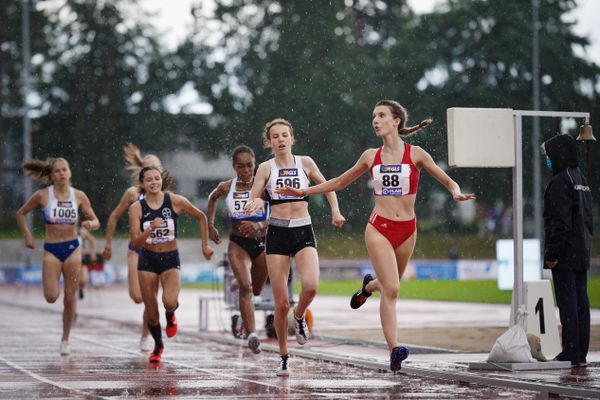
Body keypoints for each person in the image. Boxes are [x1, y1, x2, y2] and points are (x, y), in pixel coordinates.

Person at [275, 100, 476, 371]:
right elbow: (339, 182)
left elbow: (447, 179)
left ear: (396, 121)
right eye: (373, 116)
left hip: (407, 230)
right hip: (379, 228)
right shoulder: (371, 156)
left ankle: (368, 286)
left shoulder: (416, 154)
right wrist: (304, 192)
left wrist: (454, 191)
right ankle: (394, 350)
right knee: (392, 289)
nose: (375, 120)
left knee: (386, 284)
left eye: (381, 116)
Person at [245, 118, 346, 376]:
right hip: (277, 233)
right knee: (280, 304)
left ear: (292, 138)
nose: (280, 139)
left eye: (284, 135)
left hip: (303, 229)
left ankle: (299, 316)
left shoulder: (306, 162)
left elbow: (328, 186)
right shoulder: (265, 168)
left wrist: (335, 210)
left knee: (310, 287)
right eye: (275, 136)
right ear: (269, 142)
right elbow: (254, 194)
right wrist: (254, 203)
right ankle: (284, 356)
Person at [129, 165, 214, 363]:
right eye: (149, 179)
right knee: (151, 314)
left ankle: (170, 314)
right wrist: (150, 229)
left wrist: (205, 245)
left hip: (169, 259)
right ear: (143, 183)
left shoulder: (174, 201)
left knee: (168, 301)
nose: (153, 182)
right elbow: (135, 243)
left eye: (156, 178)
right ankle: (158, 345)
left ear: (162, 180)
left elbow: (200, 217)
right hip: (147, 260)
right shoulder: (137, 208)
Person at [16, 157, 100, 355]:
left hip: (73, 248)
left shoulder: (78, 196)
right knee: (52, 297)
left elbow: (95, 219)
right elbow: (21, 213)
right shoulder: (42, 195)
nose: (62, 174)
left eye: (65, 170)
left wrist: (90, 224)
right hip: (52, 250)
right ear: (52, 175)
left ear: (70, 172)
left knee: (70, 298)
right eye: (57, 171)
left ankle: (65, 339)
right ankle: (55, 296)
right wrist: (28, 237)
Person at [102, 143, 167, 352]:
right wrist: (108, 244)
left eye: (156, 169)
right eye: (147, 169)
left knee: (150, 298)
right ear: (142, 174)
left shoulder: (167, 195)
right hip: (136, 250)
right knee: (137, 296)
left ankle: (146, 336)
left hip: (158, 251)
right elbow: (113, 217)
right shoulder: (132, 193)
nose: (152, 174)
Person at [206, 145, 269, 353]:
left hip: (261, 244)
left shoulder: (265, 186)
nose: (246, 171)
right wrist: (211, 224)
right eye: (241, 167)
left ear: (255, 165)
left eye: (250, 166)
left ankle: (241, 282)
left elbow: (281, 211)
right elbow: (212, 198)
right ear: (234, 167)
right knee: (246, 288)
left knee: (257, 290)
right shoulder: (227, 187)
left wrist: (259, 225)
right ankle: (251, 334)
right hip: (238, 243)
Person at [541, 133, 592, 368]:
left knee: (568, 303)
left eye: (549, 156)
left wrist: (552, 253)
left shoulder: (560, 181)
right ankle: (580, 352)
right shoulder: (582, 179)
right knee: (582, 303)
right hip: (582, 250)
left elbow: (559, 222)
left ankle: (570, 351)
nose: (547, 160)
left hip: (564, 253)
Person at [78, 226, 97, 300]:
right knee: (73, 278)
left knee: (83, 280)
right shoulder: (66, 229)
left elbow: (92, 240)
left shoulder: (82, 231)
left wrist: (93, 253)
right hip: (70, 257)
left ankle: (80, 288)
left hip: (81, 257)